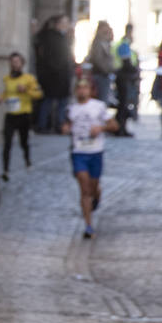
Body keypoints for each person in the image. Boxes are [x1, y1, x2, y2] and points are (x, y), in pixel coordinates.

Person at [63, 76, 118, 239]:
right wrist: (66, 128)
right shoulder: (70, 109)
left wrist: (100, 128)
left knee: (93, 187)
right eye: (79, 88)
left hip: (96, 152)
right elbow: (65, 125)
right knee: (84, 187)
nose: (82, 91)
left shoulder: (99, 107)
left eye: (85, 88)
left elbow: (114, 126)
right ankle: (88, 225)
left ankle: (97, 197)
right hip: (79, 152)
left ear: (90, 90)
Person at [0, 51, 42, 181]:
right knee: (7, 143)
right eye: (12, 62)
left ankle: (27, 161)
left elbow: (38, 94)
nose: (14, 64)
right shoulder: (7, 79)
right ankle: (5, 170)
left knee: (24, 142)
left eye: (17, 62)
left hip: (24, 114)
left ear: (22, 63)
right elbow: (6, 92)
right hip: (10, 114)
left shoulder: (28, 79)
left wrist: (26, 90)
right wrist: (0, 99)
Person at [33, 15, 74, 132]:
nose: (66, 25)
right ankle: (44, 125)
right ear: (57, 24)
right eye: (64, 23)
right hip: (54, 76)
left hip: (62, 76)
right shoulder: (51, 37)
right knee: (49, 100)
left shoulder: (63, 37)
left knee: (61, 101)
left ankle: (58, 125)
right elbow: (51, 58)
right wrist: (57, 70)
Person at [112, 24, 139, 136]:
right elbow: (126, 63)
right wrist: (135, 71)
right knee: (123, 105)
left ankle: (122, 128)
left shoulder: (125, 45)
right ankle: (119, 128)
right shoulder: (123, 45)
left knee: (124, 104)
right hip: (124, 77)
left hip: (124, 77)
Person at [86, 20, 115, 103]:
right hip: (100, 74)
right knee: (102, 100)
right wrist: (106, 70)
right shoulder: (98, 42)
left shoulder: (106, 41)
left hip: (104, 74)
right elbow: (98, 59)